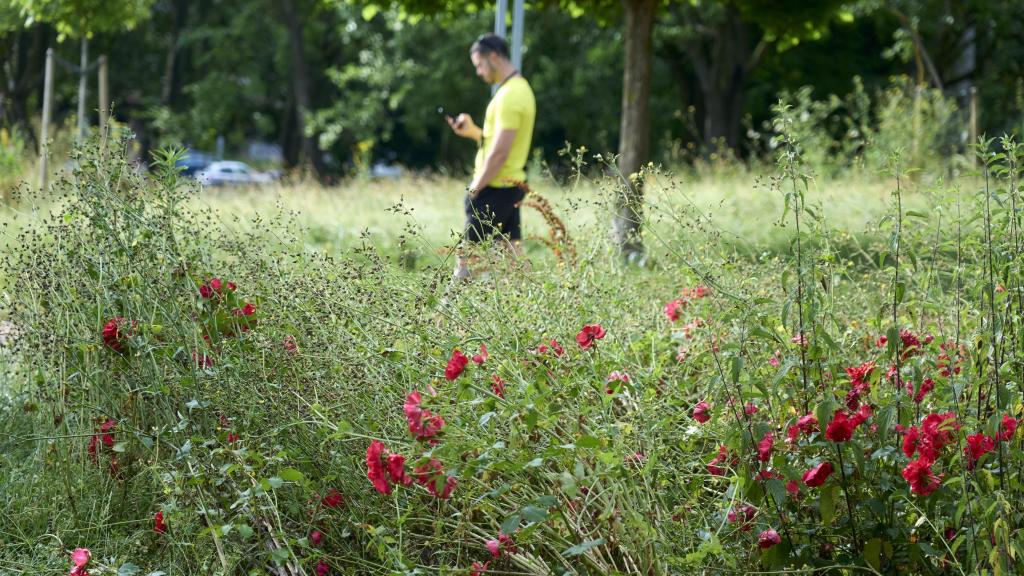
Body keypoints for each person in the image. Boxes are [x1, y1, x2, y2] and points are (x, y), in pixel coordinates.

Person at [446, 33, 536, 278]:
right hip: (509, 185)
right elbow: (496, 141)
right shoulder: (516, 90)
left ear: (494, 57)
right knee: (513, 255)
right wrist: (474, 132)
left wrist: (475, 187)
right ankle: (532, 308)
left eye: (479, 65)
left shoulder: (510, 96)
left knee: (466, 259)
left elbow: (500, 152)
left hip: (495, 188)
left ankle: (444, 315)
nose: (478, 72)